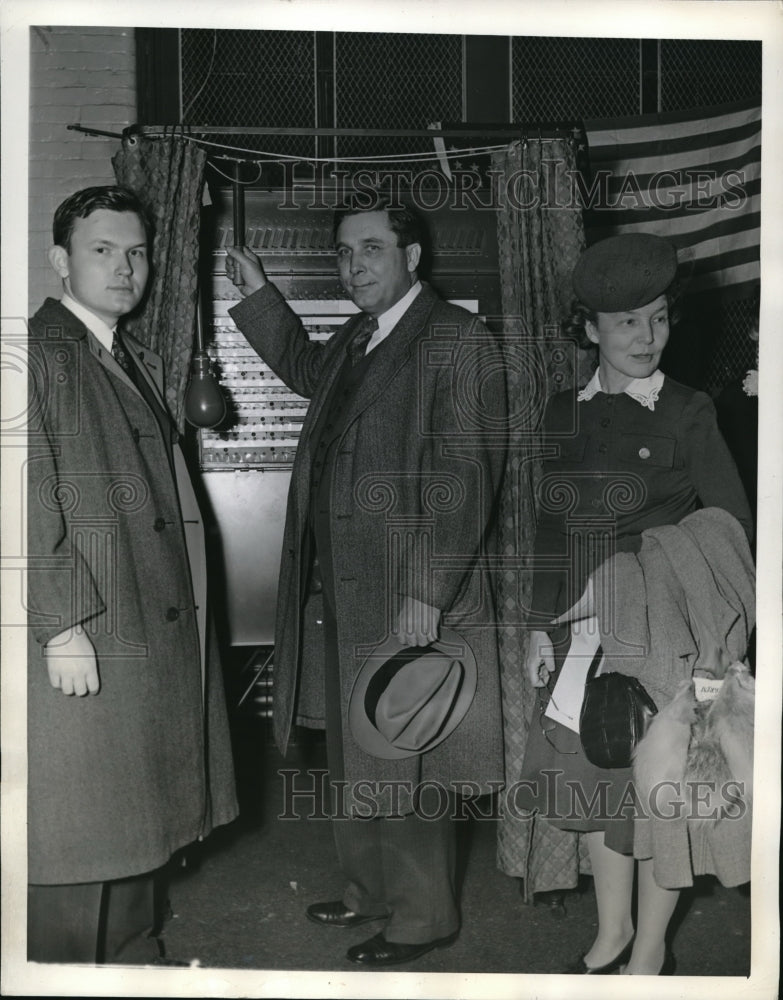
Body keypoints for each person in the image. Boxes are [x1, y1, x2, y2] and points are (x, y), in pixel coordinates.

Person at [225, 199, 507, 967]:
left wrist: (427, 590)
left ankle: (421, 918)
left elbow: (465, 478)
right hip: (344, 591)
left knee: (406, 754)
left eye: (372, 249)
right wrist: (257, 294)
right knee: (356, 755)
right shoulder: (358, 337)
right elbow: (307, 371)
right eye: (345, 254)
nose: (355, 267)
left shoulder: (456, 338)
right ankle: (367, 893)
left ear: (413, 256)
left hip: (407, 594)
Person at [520, 233, 753, 975]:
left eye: (656, 318)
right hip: (580, 635)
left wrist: (720, 646)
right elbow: (549, 527)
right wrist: (536, 625)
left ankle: (648, 954)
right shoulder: (564, 411)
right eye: (625, 322)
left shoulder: (688, 411)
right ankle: (610, 932)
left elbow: (730, 530)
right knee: (596, 777)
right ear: (588, 328)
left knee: (661, 794)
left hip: (665, 633)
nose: (646, 337)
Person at [26, 186, 238, 964]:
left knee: (134, 815)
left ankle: (131, 958)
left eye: (137, 251)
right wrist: (62, 624)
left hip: (137, 625)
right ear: (61, 261)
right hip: (90, 628)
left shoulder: (117, 352)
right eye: (102, 250)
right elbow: (20, 499)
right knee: (79, 826)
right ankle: (67, 970)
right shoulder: (38, 352)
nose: (124, 267)